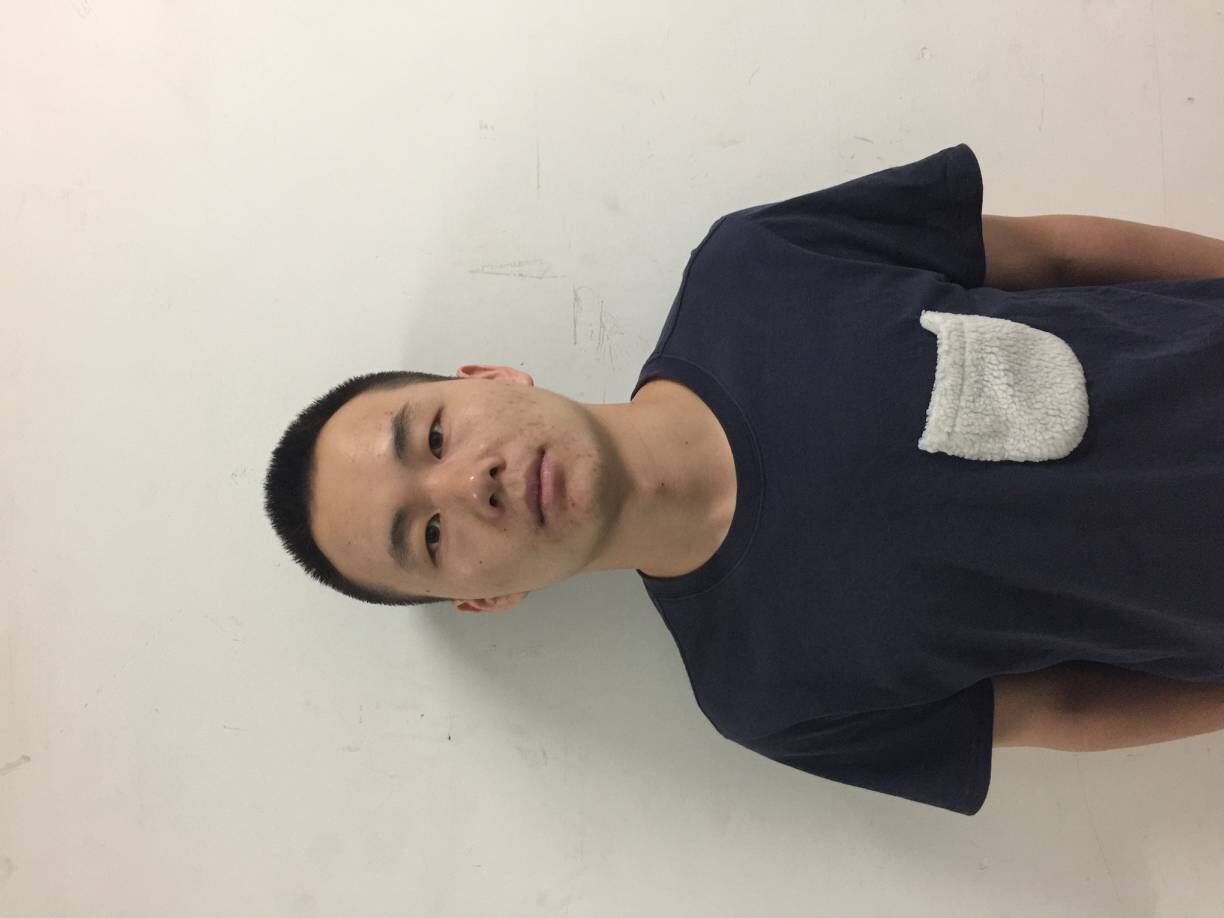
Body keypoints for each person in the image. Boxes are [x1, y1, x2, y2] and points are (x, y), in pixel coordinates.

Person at [264, 145, 1224, 814]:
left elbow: (1049, 255)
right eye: (429, 537)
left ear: (490, 377)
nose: (469, 485)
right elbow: (1065, 707)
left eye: (433, 435)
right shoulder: (767, 697)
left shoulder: (754, 265)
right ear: (488, 597)